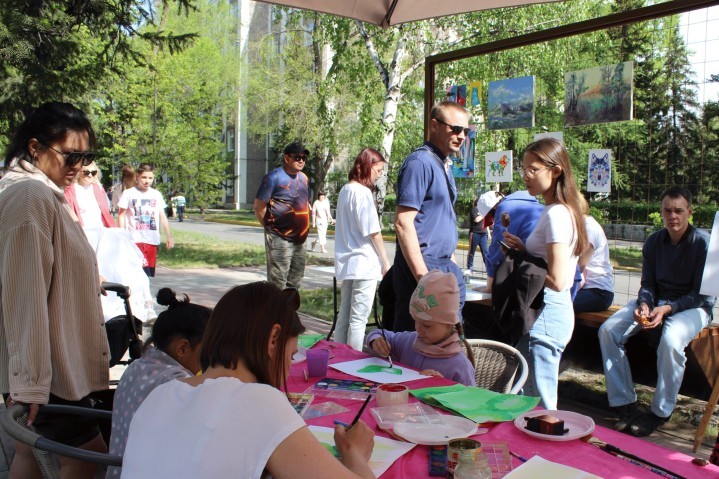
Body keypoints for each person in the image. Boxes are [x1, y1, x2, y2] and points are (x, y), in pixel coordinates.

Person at [120, 282, 375, 479]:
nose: (287, 369)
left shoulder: (160, 395)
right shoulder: (255, 399)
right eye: (290, 355)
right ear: (273, 339)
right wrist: (356, 453)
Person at [0, 101, 110, 478]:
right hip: (51, 373)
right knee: (85, 459)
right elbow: (23, 295)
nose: (79, 167)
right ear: (35, 148)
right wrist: (30, 384)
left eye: (87, 156)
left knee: (28, 455)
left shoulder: (39, 192)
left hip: (47, 368)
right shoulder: (29, 195)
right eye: (71, 156)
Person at [598, 187, 714, 437]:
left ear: (690, 212)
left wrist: (668, 308)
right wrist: (645, 305)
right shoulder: (653, 241)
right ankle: (624, 402)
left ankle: (660, 412)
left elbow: (702, 295)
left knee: (671, 340)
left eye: (679, 211)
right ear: (661, 212)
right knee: (608, 330)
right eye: (667, 210)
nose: (673, 216)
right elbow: (647, 284)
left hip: (694, 307)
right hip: (657, 303)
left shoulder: (704, 244)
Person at [502, 138, 587, 410]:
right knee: (530, 403)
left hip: (546, 314)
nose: (526, 175)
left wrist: (522, 259)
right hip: (542, 312)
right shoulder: (557, 211)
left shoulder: (557, 214)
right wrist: (524, 249)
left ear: (556, 171)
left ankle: (547, 454)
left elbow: (559, 280)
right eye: (523, 168)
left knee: (540, 408)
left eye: (533, 169)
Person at [106, 288, 211, 478]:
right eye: (207, 351)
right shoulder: (177, 382)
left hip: (119, 470)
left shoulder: (137, 366)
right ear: (182, 348)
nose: (210, 359)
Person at [393, 101, 469, 332]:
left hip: (443, 265)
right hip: (425, 266)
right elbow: (403, 222)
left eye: (466, 131)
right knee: (415, 344)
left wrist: (452, 263)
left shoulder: (442, 164)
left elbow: (440, 221)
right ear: (434, 126)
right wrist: (423, 278)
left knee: (447, 343)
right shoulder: (420, 163)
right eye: (455, 129)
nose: (462, 136)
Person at [367, 270, 476, 386]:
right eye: (416, 321)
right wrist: (376, 340)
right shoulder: (408, 342)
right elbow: (377, 333)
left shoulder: (460, 366)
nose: (419, 329)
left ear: (449, 323)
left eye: (427, 325)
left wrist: (444, 388)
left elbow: (471, 400)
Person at [334, 148, 391, 350]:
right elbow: (373, 231)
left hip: (349, 262)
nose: (380, 175)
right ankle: (353, 364)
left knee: (344, 316)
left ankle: (338, 358)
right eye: (378, 170)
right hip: (364, 263)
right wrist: (385, 261)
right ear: (368, 166)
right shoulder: (362, 192)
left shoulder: (345, 190)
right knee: (358, 319)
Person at [253, 141, 311, 290]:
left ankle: (290, 312)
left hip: (300, 239)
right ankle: (274, 313)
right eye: (297, 157)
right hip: (280, 239)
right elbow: (259, 207)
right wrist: (271, 228)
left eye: (304, 158)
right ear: (287, 158)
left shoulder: (304, 178)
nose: (302, 161)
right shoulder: (273, 177)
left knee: (295, 283)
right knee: (277, 284)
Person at [480, 190, 544, 293]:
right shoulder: (537, 205)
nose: (492, 222)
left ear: (494, 209)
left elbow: (497, 250)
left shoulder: (505, 207)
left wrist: (490, 287)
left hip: (534, 277)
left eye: (492, 217)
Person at [118, 163, 174, 277]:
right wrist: (122, 235)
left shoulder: (156, 194)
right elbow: (121, 215)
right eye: (144, 177)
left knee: (148, 275)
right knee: (135, 273)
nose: (147, 181)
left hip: (151, 240)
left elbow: (162, 216)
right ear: (138, 176)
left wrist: (169, 236)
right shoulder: (128, 193)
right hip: (134, 239)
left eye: (150, 178)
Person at [573, 199, 614, 314]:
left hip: (598, 292)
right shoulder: (582, 226)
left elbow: (579, 266)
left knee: (558, 304)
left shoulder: (589, 229)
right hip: (586, 289)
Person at [64, 161, 116, 228]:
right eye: (86, 172)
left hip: (100, 231)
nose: (90, 175)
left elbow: (106, 211)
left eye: (93, 173)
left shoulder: (99, 189)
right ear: (79, 172)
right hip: (81, 231)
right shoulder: (70, 190)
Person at [467, 191, 502, 274]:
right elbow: (476, 219)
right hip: (475, 233)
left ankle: (488, 267)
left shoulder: (485, 212)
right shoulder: (474, 210)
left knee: (485, 252)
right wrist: (484, 213)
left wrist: (488, 233)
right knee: (472, 251)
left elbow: (486, 224)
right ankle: (470, 267)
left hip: (483, 234)